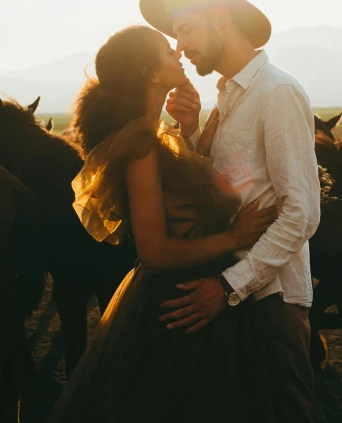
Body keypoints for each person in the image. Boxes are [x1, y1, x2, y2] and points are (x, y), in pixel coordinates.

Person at [47, 24, 279, 423]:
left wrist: (195, 133)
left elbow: (186, 200)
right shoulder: (141, 146)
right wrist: (233, 236)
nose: (178, 52)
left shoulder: (153, 138)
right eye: (166, 51)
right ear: (151, 74)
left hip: (195, 293)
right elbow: (154, 252)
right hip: (182, 303)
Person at [139, 0, 321, 423]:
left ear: (221, 19)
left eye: (185, 29)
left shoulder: (276, 92)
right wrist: (192, 132)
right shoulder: (226, 95)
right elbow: (233, 185)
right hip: (235, 294)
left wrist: (228, 287)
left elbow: (301, 213)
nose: (178, 45)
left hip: (270, 301)